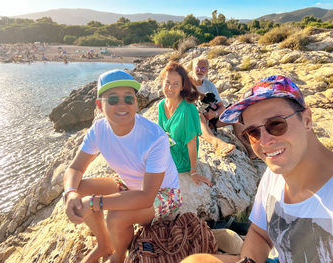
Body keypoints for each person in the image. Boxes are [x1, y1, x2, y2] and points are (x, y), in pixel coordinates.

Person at [185, 75, 333, 262]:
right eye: (253, 132)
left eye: (276, 124)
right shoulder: (274, 176)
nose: (265, 142)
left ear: (306, 120)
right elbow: (259, 234)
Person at [63, 69, 181, 263]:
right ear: (100, 105)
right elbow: (75, 169)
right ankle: (104, 244)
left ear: (136, 102)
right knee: (80, 188)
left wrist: (94, 203)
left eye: (129, 98)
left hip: (164, 193)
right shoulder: (99, 129)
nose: (122, 105)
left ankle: (118, 256)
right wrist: (70, 194)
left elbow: (146, 196)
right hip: (129, 183)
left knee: (116, 218)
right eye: (112, 99)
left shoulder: (154, 138)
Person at [158, 61, 212, 187]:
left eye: (176, 84)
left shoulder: (187, 109)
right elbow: (162, 133)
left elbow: (191, 143)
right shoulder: (162, 105)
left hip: (182, 159)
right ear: (162, 82)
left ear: (182, 86)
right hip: (169, 150)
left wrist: (193, 172)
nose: (170, 88)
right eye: (167, 83)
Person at [190, 57, 256, 159]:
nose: (200, 71)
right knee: (198, 115)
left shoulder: (209, 85)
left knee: (236, 117)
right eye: (197, 67)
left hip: (211, 121)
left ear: (207, 70)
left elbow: (221, 107)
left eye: (203, 68)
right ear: (192, 68)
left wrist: (214, 114)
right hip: (192, 121)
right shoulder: (185, 83)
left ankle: (252, 152)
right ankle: (217, 144)